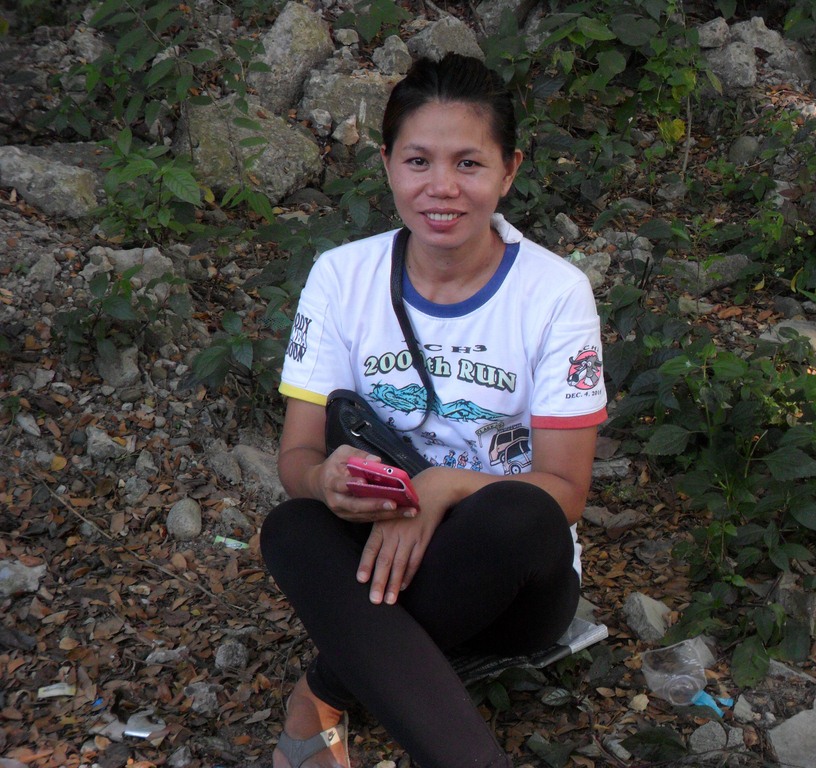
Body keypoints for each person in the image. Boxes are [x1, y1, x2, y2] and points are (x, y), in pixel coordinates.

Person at [260, 52, 608, 768]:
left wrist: (443, 487)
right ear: (388, 164)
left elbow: (566, 493)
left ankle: (324, 689)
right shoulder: (341, 277)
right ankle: (388, 667)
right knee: (292, 527)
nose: (441, 187)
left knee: (518, 514)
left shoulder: (555, 293)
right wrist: (326, 479)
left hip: (507, 578)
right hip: (379, 548)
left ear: (509, 171)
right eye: (418, 161)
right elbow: (296, 458)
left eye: (469, 164)